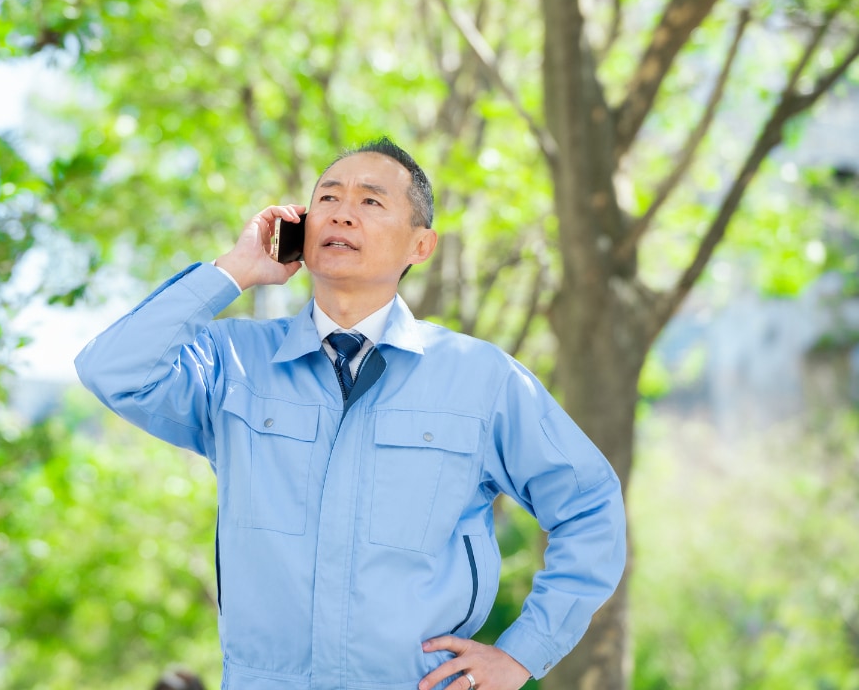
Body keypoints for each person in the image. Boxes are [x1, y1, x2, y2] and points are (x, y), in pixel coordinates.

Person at [76, 137, 627, 690]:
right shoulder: (233, 364)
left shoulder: (480, 378)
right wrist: (234, 270)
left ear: (420, 245)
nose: (342, 212)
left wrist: (522, 654)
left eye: (370, 202)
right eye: (327, 198)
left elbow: (589, 506)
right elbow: (113, 369)